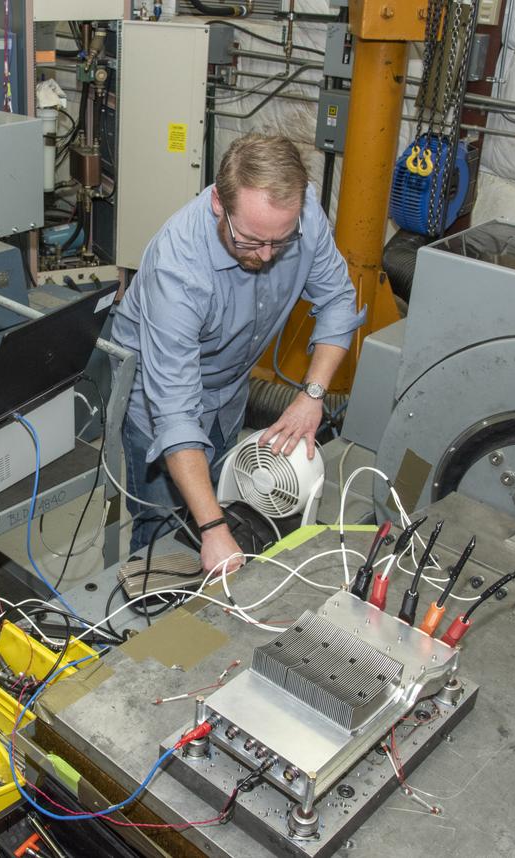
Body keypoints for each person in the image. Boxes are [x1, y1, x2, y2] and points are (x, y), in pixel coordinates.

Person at [111, 132, 364, 575]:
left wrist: (313, 394)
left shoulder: (300, 216)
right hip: (155, 401)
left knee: (222, 501)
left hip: (229, 389)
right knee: (160, 525)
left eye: (279, 242)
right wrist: (213, 530)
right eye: (250, 240)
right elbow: (174, 415)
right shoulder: (177, 269)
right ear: (217, 205)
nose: (265, 256)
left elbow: (339, 302)